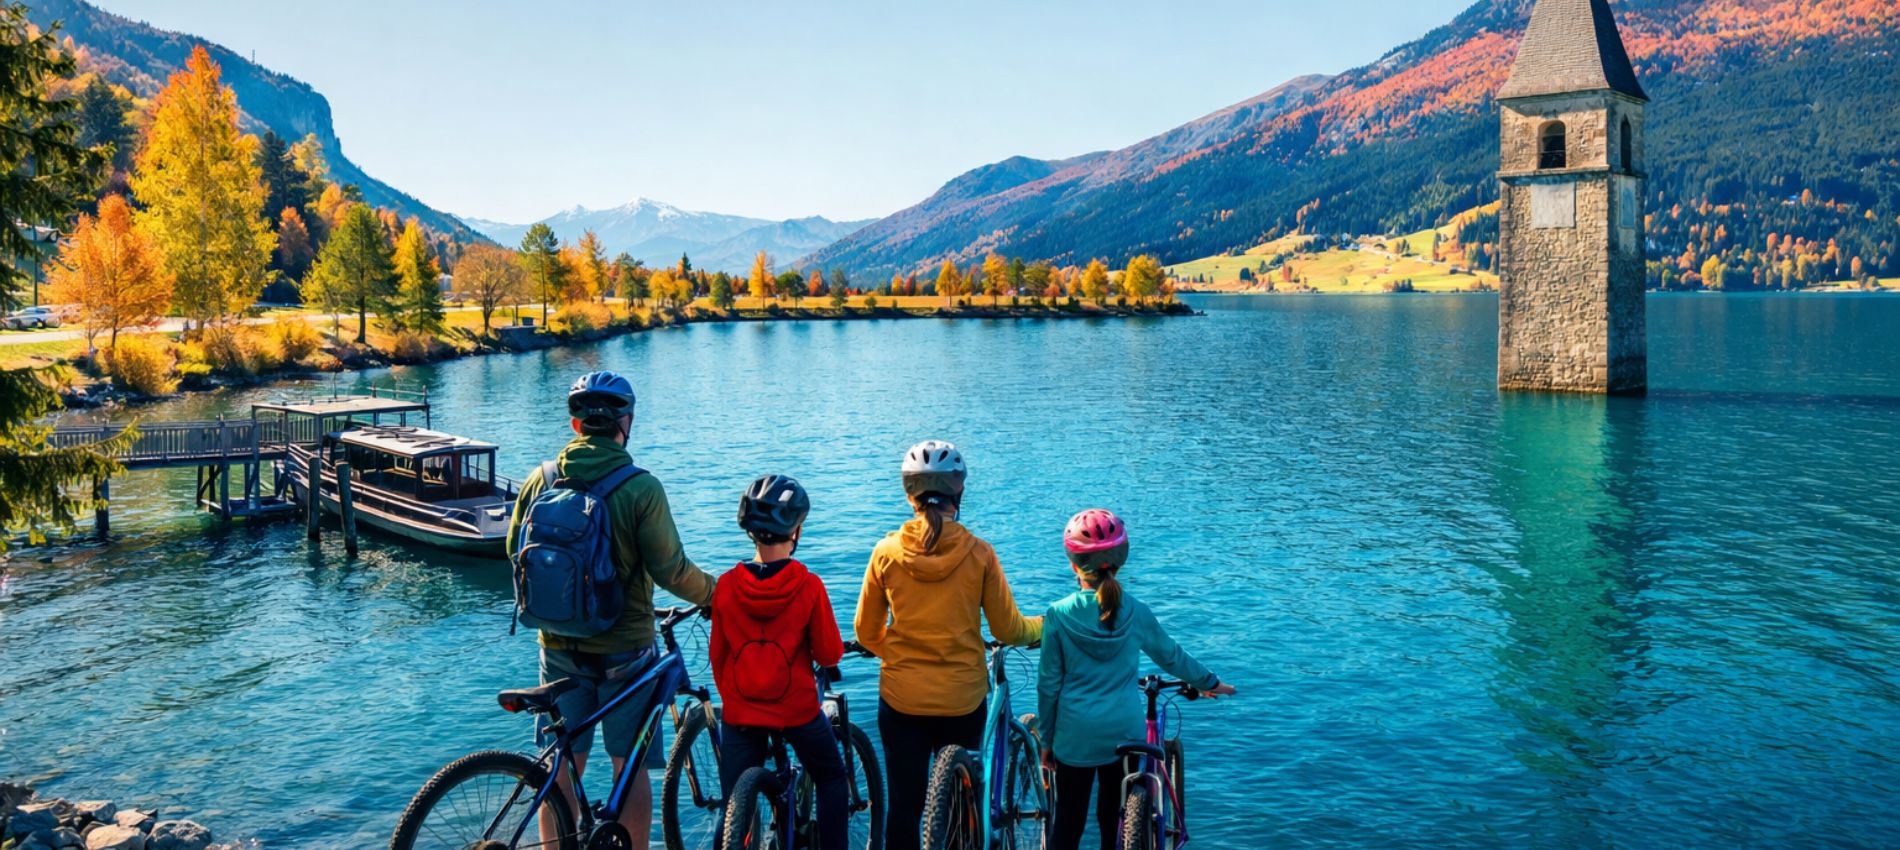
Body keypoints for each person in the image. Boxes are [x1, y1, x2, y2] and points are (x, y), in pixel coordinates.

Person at [503, 370, 717, 850]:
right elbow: (672, 571)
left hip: (557, 647)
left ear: (576, 425)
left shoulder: (542, 478)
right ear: (627, 423)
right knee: (630, 767)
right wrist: (715, 594)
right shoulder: (641, 488)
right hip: (625, 651)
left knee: (562, 767)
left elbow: (513, 552)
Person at [854, 439, 1043, 850]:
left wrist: (900, 656)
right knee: (960, 809)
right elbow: (1009, 629)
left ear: (909, 495)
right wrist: (1042, 627)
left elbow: (866, 633)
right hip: (962, 699)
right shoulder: (979, 554)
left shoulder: (885, 552)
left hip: (902, 700)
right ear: (959, 493)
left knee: (904, 807)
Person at [1037, 508, 1235, 850]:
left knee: (1068, 821)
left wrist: (1047, 740)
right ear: (1120, 562)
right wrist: (1208, 682)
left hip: (1075, 735)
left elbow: (1048, 685)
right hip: (1123, 732)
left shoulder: (1058, 615)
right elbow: (1171, 656)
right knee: (1113, 818)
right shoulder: (1136, 611)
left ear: (1073, 564)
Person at [709, 474, 850, 850]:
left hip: (741, 712)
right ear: (796, 531)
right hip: (796, 711)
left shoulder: (726, 586)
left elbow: (718, 656)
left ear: (751, 533)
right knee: (832, 778)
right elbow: (828, 654)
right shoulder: (808, 586)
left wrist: (738, 698)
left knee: (732, 807)